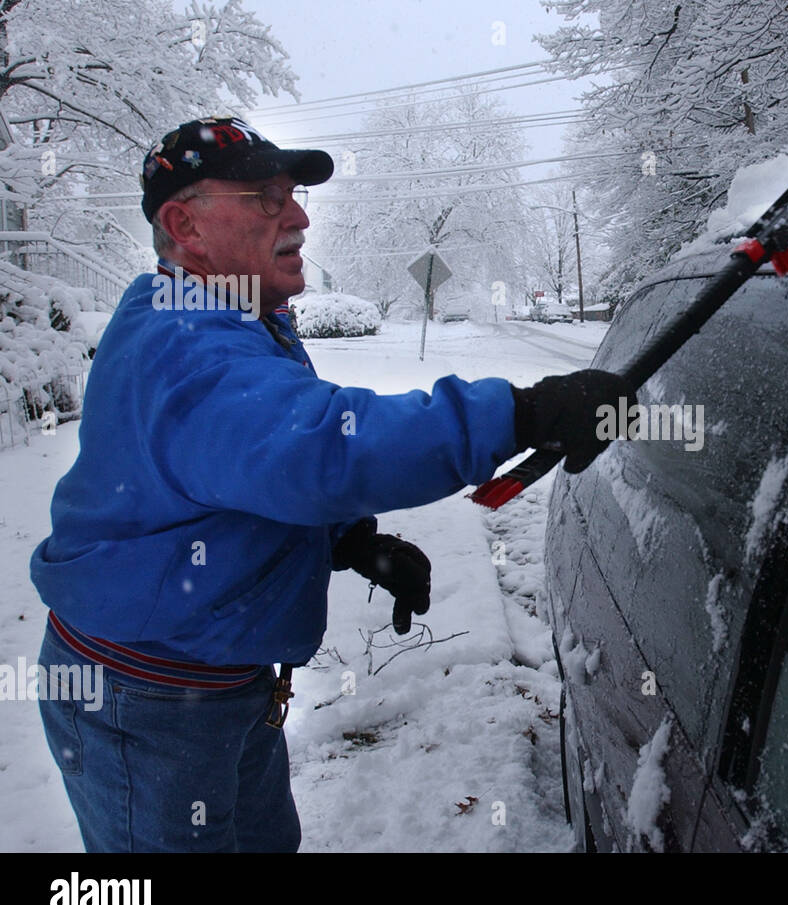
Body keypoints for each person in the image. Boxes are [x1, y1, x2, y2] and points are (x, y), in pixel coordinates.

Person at [28, 116, 633, 852]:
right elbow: (318, 445)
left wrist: (348, 542)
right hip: (146, 704)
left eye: (292, 193)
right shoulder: (180, 342)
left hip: (217, 685)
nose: (299, 215)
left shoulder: (234, 318)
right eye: (263, 196)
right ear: (183, 224)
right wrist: (523, 413)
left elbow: (246, 471)